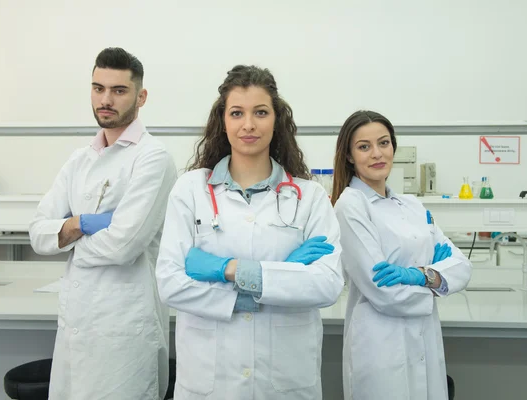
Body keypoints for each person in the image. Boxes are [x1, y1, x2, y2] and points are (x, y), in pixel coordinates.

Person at [155, 65, 343, 400]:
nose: (249, 125)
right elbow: (170, 282)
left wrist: (232, 271)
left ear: (276, 120)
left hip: (285, 379)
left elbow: (327, 284)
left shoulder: (309, 196)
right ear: (223, 121)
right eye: (237, 113)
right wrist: (278, 278)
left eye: (260, 112)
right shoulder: (190, 190)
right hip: (209, 381)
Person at [29, 47, 177, 400]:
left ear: (141, 97)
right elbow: (37, 233)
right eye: (98, 88)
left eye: (118, 90)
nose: (105, 99)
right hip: (75, 330)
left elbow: (122, 247)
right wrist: (84, 223)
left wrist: (65, 233)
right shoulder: (79, 160)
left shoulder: (153, 159)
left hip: (124, 335)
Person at [331, 110, 472, 400]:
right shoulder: (350, 205)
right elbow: (384, 291)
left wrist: (421, 275)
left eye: (384, 143)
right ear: (349, 155)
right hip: (380, 345)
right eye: (364, 146)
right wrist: (437, 281)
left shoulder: (412, 206)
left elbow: (462, 266)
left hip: (425, 339)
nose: (377, 154)